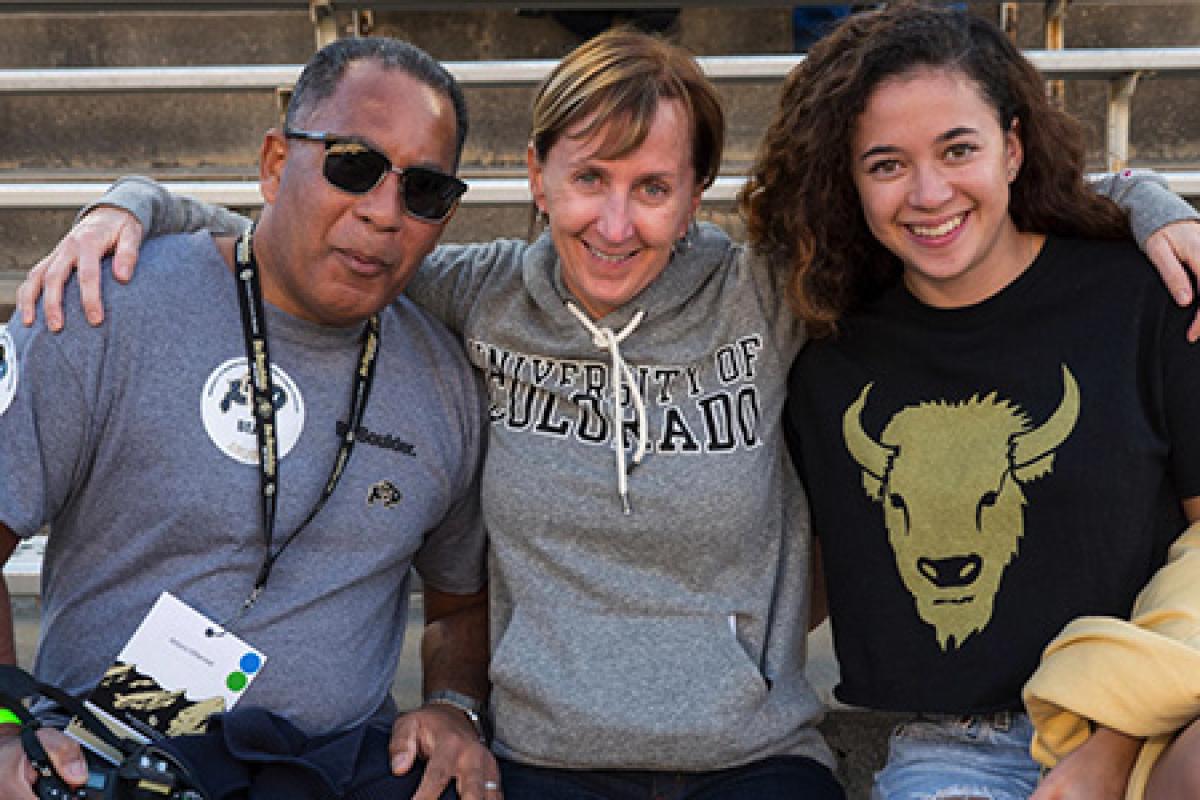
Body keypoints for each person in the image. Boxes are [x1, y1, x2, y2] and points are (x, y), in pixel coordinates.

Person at [17, 24, 1200, 800]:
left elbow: (952, 208)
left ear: (698, 197)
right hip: (547, 757)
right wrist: (136, 202)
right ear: (535, 176)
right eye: (588, 180)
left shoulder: (768, 287)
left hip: (755, 752)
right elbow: (304, 236)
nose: (618, 224)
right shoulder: (468, 293)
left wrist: (1150, 198)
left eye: (654, 188)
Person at [0, 36, 499, 800]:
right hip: (110, 767)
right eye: (352, 164)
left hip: (334, 773)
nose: (383, 212)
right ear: (274, 163)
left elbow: (461, 606)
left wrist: (453, 705)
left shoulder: (445, 379)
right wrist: (5, 728)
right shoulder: (106, 306)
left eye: (425, 190)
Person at [740, 3, 1200, 798]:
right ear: (846, 179)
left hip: (1164, 717)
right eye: (885, 164)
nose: (928, 193)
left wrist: (1116, 740)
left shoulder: (1147, 296)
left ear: (1013, 147)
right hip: (950, 745)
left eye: (959, 150)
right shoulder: (822, 347)